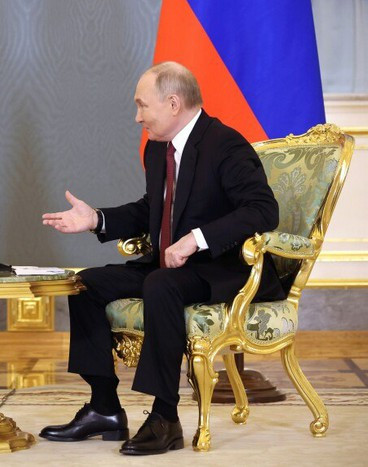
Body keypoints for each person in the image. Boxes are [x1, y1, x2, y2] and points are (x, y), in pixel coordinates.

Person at [40, 61, 286, 455]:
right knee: (85, 283)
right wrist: (96, 220)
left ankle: (164, 417)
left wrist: (196, 240)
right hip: (170, 269)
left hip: (222, 269)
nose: (137, 117)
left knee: (161, 284)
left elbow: (262, 210)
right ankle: (104, 408)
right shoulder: (158, 150)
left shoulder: (225, 144)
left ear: (173, 103)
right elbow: (151, 208)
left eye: (142, 106)